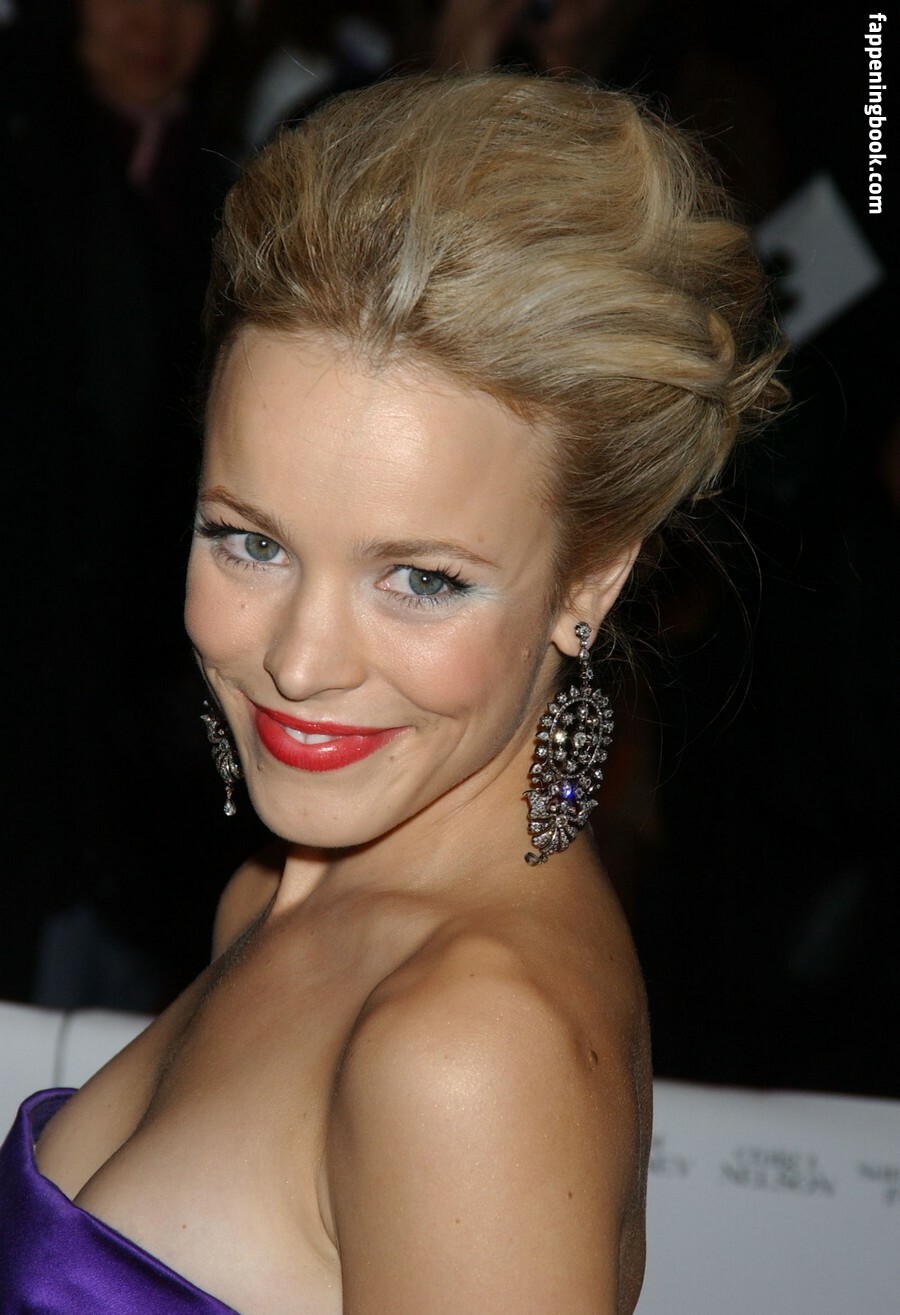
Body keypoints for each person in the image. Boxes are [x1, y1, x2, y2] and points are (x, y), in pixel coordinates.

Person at [0, 73, 784, 1313]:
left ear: (592, 575)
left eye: (421, 578)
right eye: (249, 540)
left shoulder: (469, 1052)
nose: (301, 661)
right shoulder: (276, 893)